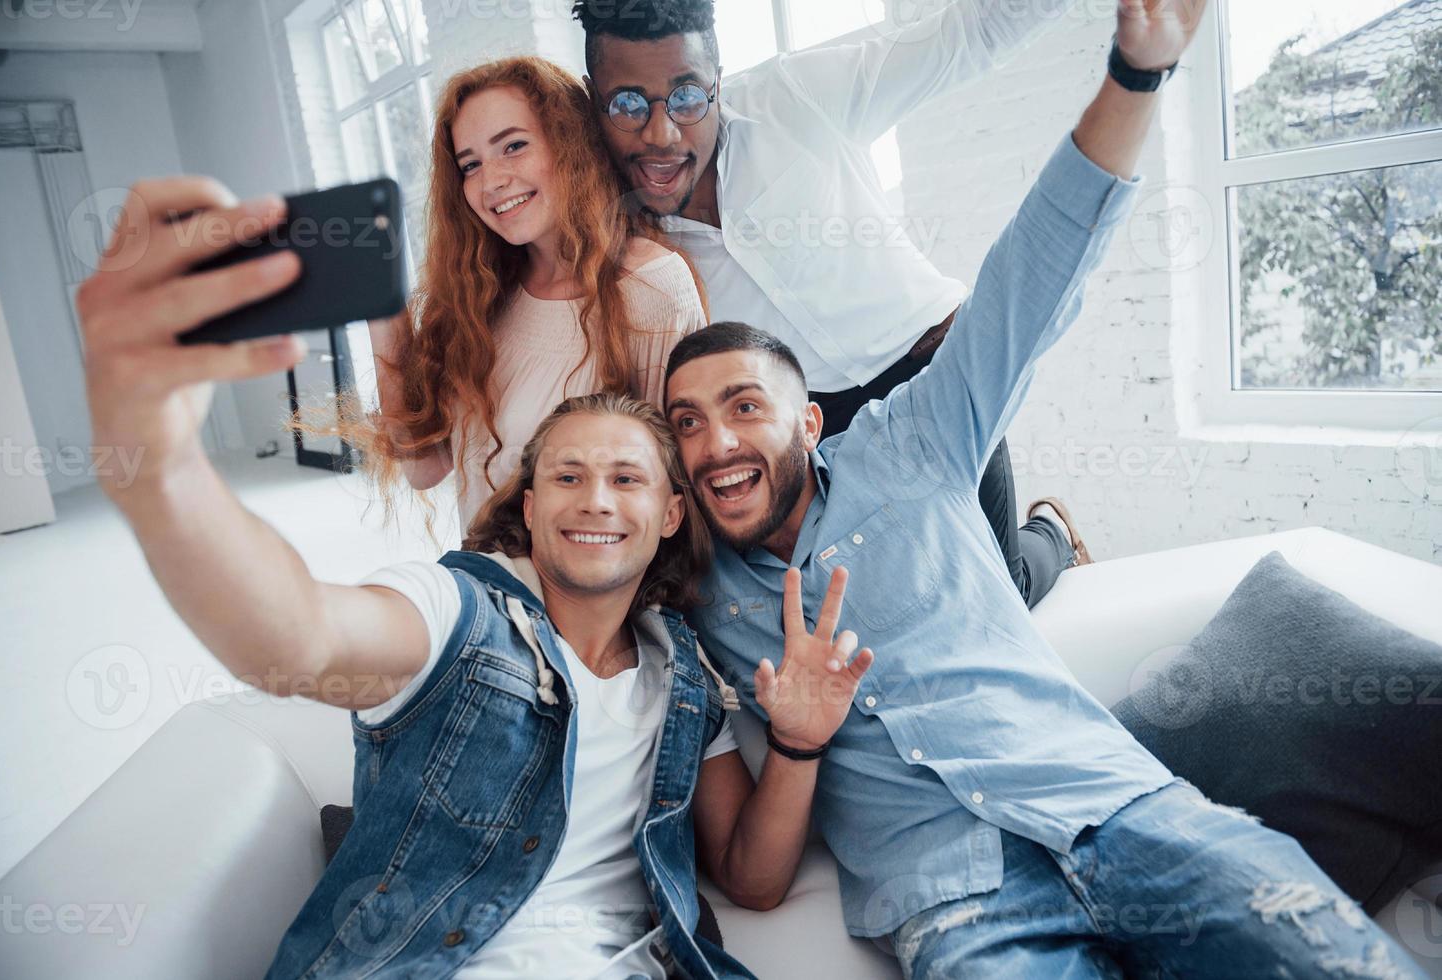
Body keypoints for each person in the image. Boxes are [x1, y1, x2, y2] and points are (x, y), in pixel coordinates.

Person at [659, 1, 1429, 976]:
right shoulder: (697, 596)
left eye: (742, 407)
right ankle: (1045, 542)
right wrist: (798, 739)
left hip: (1122, 814)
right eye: (686, 421)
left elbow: (1034, 272)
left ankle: (1041, 539)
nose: (717, 440)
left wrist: (1136, 72)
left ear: (811, 419)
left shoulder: (909, 445)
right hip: (960, 905)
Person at [77, 171, 881, 976]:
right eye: (567, 477)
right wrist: (161, 464)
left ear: (672, 512)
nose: (595, 501)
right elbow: (298, 637)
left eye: (628, 479)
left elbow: (753, 880)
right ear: (527, 508)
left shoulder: (683, 678)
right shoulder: (456, 614)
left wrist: (798, 743)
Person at [573, 0, 1092, 609]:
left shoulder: (795, 96)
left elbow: (967, 35)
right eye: (628, 105)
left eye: (687, 99)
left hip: (933, 372)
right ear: (593, 99)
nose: (661, 134)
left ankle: (1051, 531)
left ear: (717, 82)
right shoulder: (613, 230)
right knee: (883, 611)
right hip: (816, 430)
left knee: (1000, 591)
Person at [362, 56, 708, 536]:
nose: (492, 181)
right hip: (487, 585)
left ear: (572, 145)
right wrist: (382, 303)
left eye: (514, 146)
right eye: (471, 165)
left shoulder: (651, 287)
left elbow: (665, 491)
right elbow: (425, 468)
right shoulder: (479, 296)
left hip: (585, 601)